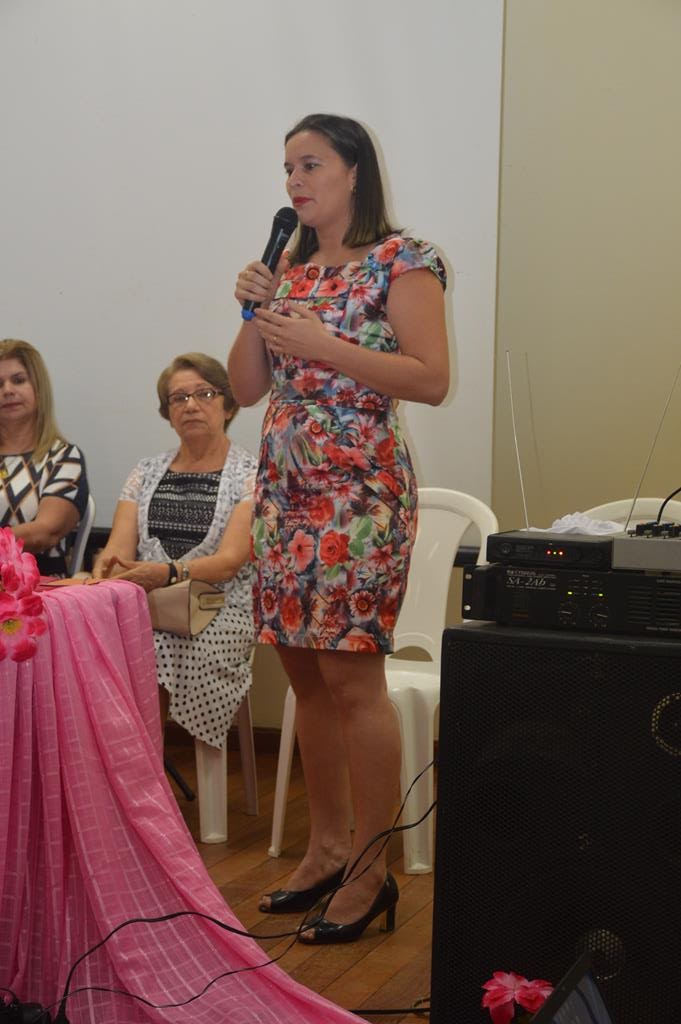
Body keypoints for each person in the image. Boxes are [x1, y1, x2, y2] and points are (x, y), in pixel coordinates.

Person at [228, 113, 450, 943]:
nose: (294, 181)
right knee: (306, 680)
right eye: (287, 167)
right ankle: (323, 849)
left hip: (358, 500)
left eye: (310, 164)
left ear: (354, 171)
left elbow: (429, 379)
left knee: (353, 682)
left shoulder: (404, 260)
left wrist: (322, 344)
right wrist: (252, 310)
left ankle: (368, 870)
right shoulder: (288, 269)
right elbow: (245, 389)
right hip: (284, 498)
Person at [93, 353, 256, 749]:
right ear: (167, 414)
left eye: (204, 394)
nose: (191, 405)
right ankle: (120, 765)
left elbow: (229, 563)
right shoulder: (146, 471)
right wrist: (108, 570)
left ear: (229, 405)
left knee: (153, 645)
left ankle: (142, 766)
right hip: (148, 604)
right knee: (92, 642)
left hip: (220, 608)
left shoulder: (251, 473)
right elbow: (116, 553)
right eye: (178, 398)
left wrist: (167, 574)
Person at [0, 338, 89, 577]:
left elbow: (45, 533)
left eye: (19, 380)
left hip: (38, 589)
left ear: (39, 390)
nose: (7, 390)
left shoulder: (63, 458)